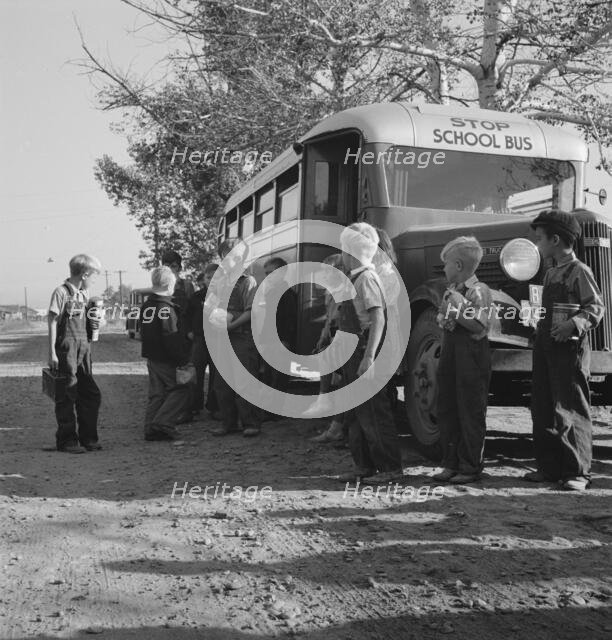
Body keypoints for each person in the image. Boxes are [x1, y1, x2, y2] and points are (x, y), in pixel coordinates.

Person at [525, 209, 604, 491]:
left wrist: (573, 324)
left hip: (569, 351)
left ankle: (577, 472)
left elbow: (595, 308)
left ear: (555, 240)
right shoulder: (550, 273)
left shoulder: (579, 271)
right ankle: (549, 468)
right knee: (543, 406)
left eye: (540, 239)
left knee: (570, 407)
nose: (538, 245)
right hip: (545, 347)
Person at [336, 222, 402, 483]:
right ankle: (364, 465)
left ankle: (390, 469)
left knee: (375, 412)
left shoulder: (366, 278)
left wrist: (369, 356)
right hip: (352, 352)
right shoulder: (353, 278)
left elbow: (379, 319)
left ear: (350, 251)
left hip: (365, 350)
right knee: (356, 413)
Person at [432, 236, 493, 484]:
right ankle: (450, 462)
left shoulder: (480, 291)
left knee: (470, 410)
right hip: (451, 353)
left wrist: (456, 311)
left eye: (445, 264)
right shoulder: (453, 291)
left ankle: (470, 466)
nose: (443, 269)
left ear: (458, 265)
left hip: (472, 357)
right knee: (447, 406)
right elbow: (447, 319)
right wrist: (444, 317)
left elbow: (480, 324)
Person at [206, 237, 261, 437]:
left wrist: (230, 325)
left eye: (229, 256)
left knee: (244, 380)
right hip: (223, 338)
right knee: (221, 382)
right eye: (223, 256)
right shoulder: (220, 282)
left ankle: (251, 422)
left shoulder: (248, 282)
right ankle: (228, 422)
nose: (225, 260)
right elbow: (210, 305)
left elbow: (251, 312)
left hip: (241, 337)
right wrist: (213, 316)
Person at [47, 254, 103, 453]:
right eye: (94, 276)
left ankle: (88, 438)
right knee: (67, 393)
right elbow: (52, 321)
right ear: (85, 273)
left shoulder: (84, 294)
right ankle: (67, 441)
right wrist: (51, 352)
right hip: (66, 349)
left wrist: (97, 321)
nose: (95, 281)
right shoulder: (61, 292)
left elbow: (89, 323)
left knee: (90, 393)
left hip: (83, 349)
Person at [140, 266, 193, 441]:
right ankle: (164, 422)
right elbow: (170, 338)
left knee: (157, 393)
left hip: (151, 357)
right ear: (170, 285)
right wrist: (182, 359)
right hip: (166, 359)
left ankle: (150, 429)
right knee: (181, 389)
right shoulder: (166, 308)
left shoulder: (147, 306)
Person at [306, 253, 348, 442]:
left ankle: (338, 427)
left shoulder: (346, 291)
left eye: (326, 272)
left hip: (345, 340)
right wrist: (323, 336)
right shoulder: (330, 292)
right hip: (334, 337)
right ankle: (328, 408)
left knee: (344, 383)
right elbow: (329, 318)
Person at [259, 257, 297, 418]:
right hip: (269, 340)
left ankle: (275, 411)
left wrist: (285, 341)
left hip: (280, 341)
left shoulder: (287, 294)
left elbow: (290, 320)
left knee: (278, 377)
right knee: (268, 376)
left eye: (270, 273)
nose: (267, 277)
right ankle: (269, 409)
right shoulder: (271, 291)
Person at [161, 249, 195, 423]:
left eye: (174, 266)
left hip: (183, 334)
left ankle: (187, 410)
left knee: (185, 372)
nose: (171, 269)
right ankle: (169, 410)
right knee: (167, 372)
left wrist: (190, 331)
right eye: (167, 266)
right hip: (167, 335)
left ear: (180, 267)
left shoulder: (186, 285)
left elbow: (192, 310)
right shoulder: (159, 286)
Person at [186, 266, 219, 419]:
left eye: (215, 277)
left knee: (216, 375)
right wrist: (188, 331)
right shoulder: (196, 297)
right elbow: (186, 316)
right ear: (204, 279)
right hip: (199, 340)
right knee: (195, 374)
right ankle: (193, 405)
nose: (211, 280)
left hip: (218, 340)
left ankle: (214, 407)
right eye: (208, 277)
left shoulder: (224, 296)